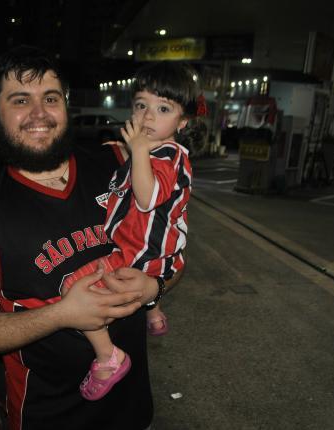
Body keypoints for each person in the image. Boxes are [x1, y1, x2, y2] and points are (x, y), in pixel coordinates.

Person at [0, 45, 184, 430]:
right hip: (48, 417)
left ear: (66, 106)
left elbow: (173, 252)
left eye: (51, 98)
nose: (39, 113)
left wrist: (153, 288)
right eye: (21, 100)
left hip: (133, 413)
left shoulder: (119, 163)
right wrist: (61, 315)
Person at [62, 61, 202, 400]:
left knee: (71, 287)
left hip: (138, 254)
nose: (148, 116)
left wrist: (138, 151)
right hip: (150, 252)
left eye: (163, 108)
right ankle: (153, 312)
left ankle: (108, 356)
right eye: (141, 105)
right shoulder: (152, 152)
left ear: (182, 122)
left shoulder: (167, 155)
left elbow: (146, 197)